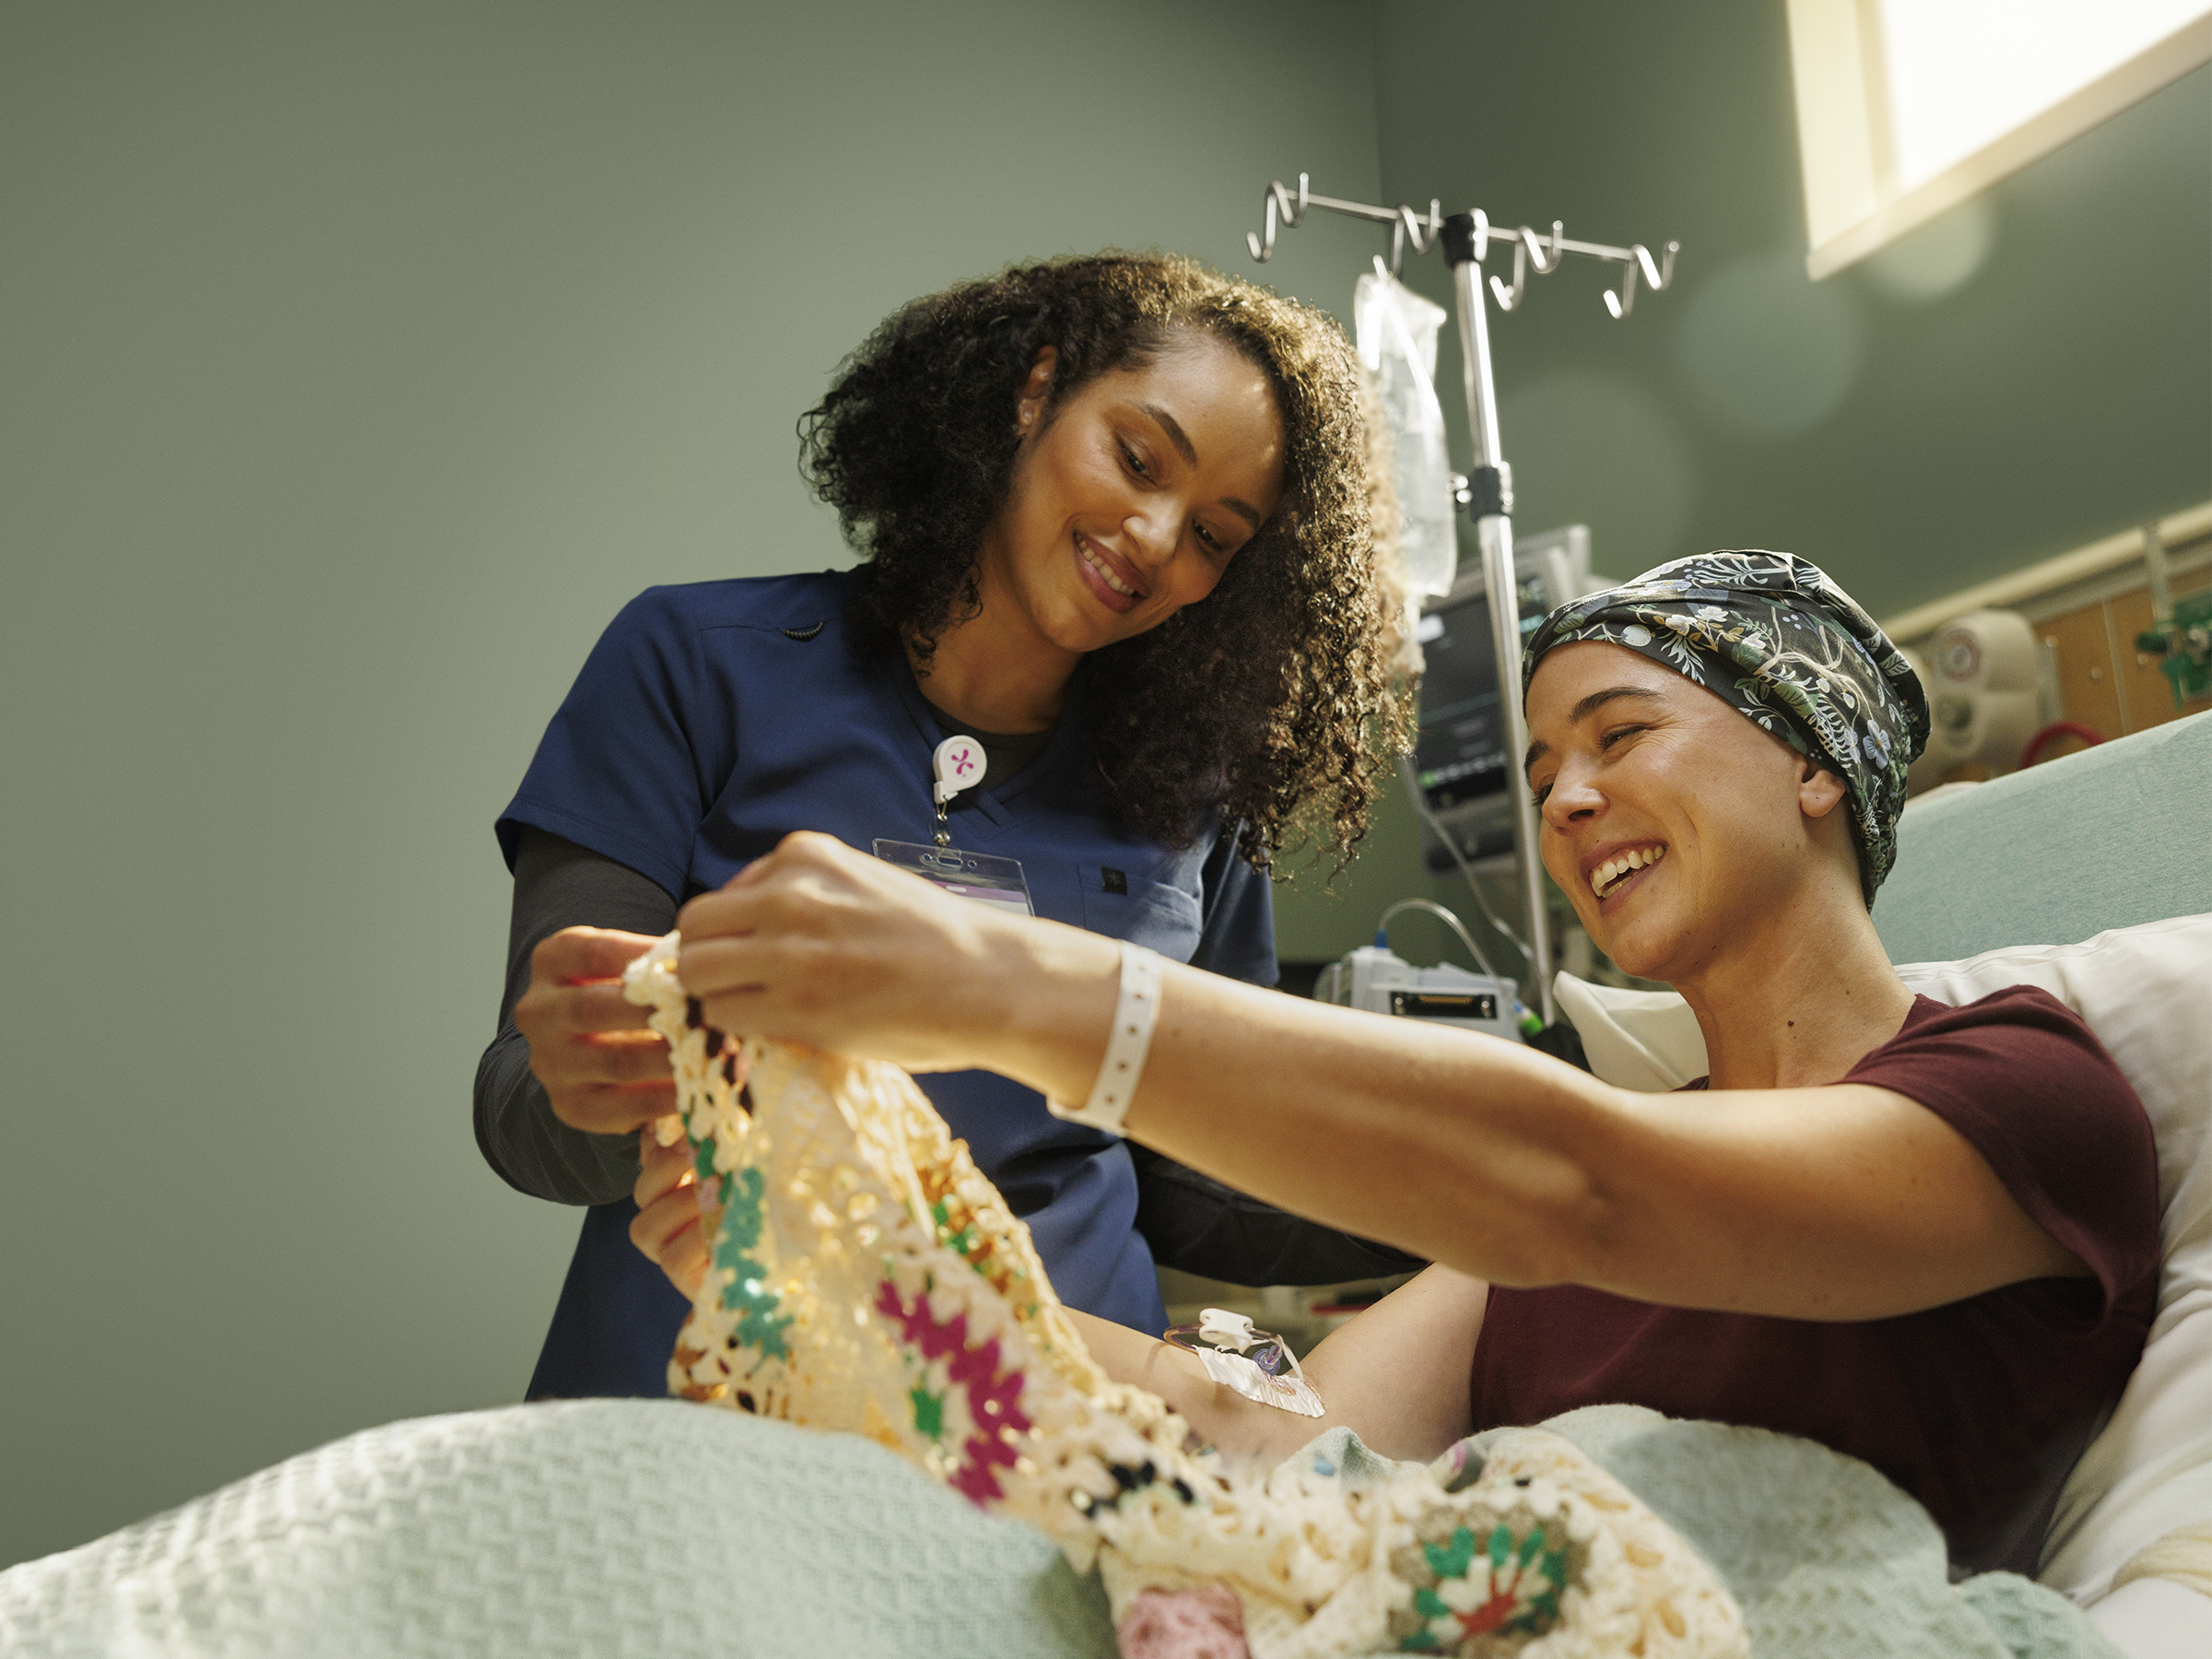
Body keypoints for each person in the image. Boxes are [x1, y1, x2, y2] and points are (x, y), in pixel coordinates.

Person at [640, 550, 2159, 1577]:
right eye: (1544, 766)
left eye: (1620, 734)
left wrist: (1017, 987)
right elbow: (1253, 1409)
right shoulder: (1538, 1230)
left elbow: (1588, 1183)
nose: (1567, 800)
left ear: (1816, 757)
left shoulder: (2022, 1089)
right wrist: (876, 1273)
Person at [475, 253, 1421, 1402]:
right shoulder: (695, 669)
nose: (1160, 534)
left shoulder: (1190, 804)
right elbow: (526, 1103)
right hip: (710, 1421)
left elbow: (1195, 1178)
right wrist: (612, 1089)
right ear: (1034, 389)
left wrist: (1486, 1220)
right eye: (1136, 457)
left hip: (1050, 1442)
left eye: (1217, 536)